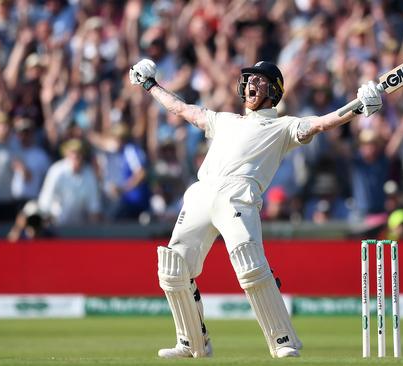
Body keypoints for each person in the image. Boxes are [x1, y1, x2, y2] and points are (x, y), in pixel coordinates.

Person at [129, 59, 382, 358]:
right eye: (249, 79)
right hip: (201, 192)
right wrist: (150, 85)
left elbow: (322, 122)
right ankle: (192, 344)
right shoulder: (223, 120)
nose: (252, 84)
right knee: (172, 269)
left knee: (250, 267)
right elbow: (182, 109)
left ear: (274, 91)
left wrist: (358, 106)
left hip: (239, 196)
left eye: (260, 81)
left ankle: (283, 341)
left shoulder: (282, 127)